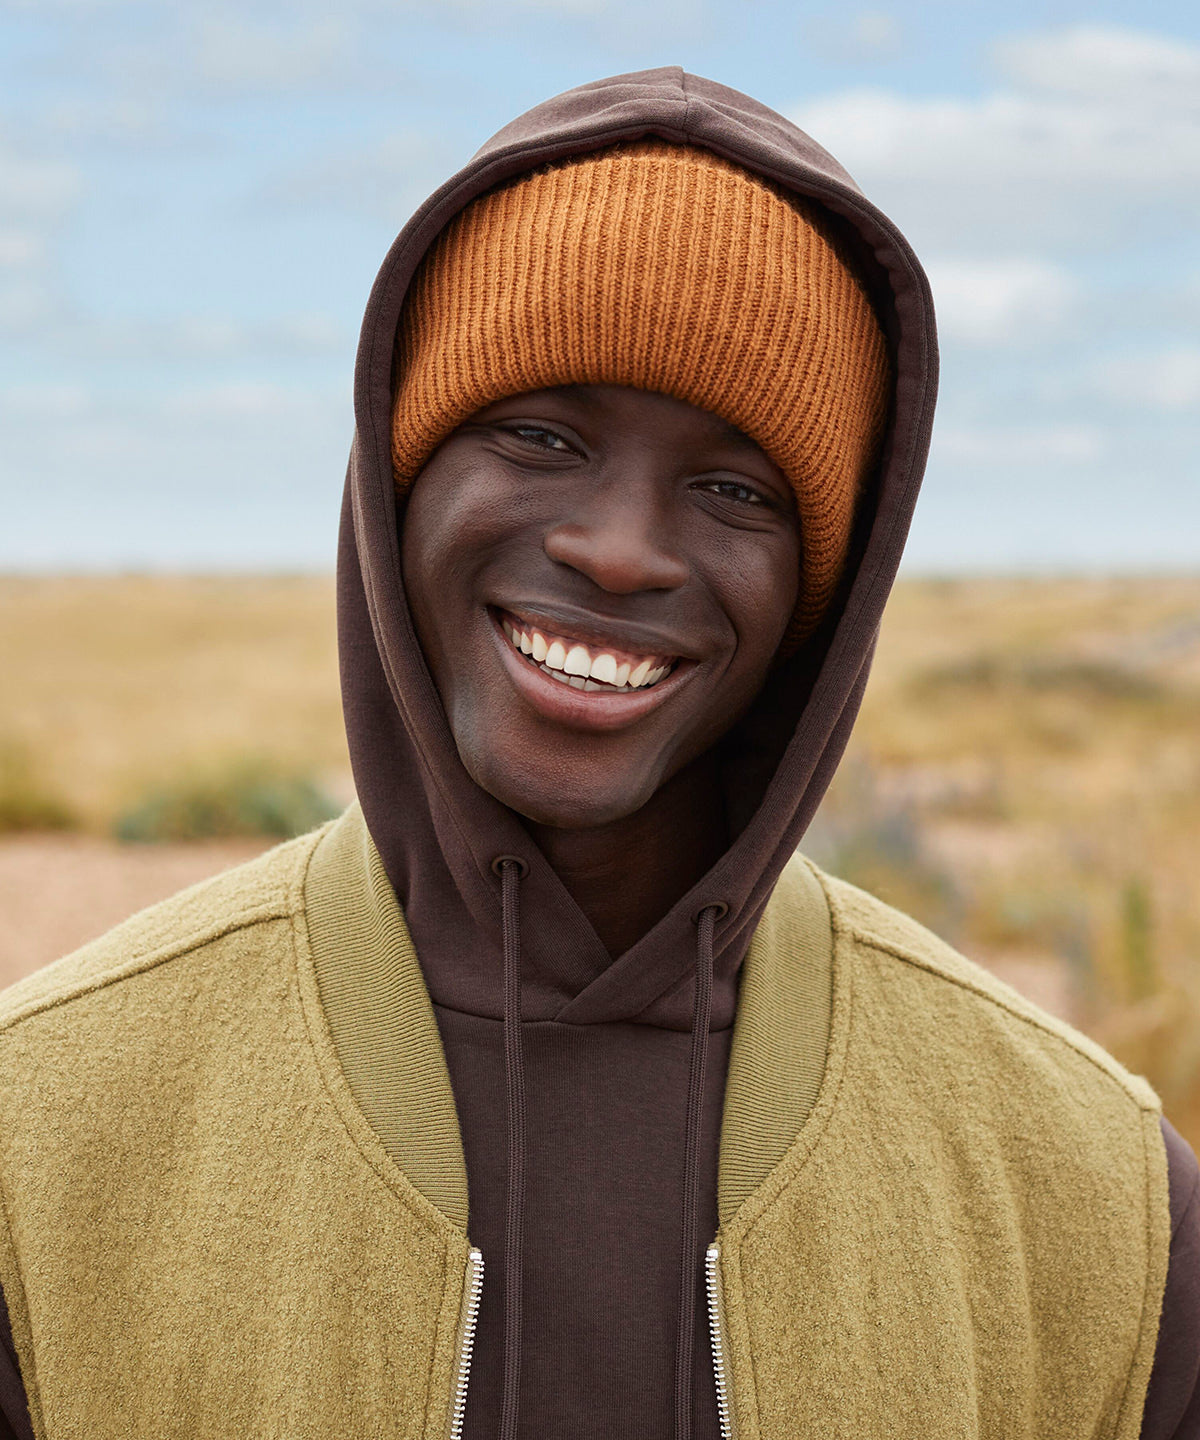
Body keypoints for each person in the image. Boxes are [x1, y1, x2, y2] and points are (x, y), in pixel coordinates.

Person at [0, 68, 1195, 1440]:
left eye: (736, 489)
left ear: (832, 579)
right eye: (541, 435)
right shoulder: (42, 1136)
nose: (620, 548)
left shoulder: (1096, 1196)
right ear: (396, 481)